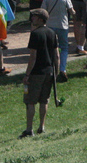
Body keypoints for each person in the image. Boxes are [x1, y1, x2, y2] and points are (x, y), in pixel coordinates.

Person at [21, 9, 60, 138]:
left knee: (31, 101)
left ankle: (29, 129)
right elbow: (57, 56)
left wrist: (27, 75)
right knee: (44, 100)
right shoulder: (52, 33)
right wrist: (57, 71)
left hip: (36, 73)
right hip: (49, 72)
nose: (32, 18)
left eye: (35, 17)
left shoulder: (35, 34)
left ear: (41, 19)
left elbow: (33, 57)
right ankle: (42, 127)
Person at [40, 0, 74, 82]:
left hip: (50, 25)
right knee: (64, 48)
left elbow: (43, 11)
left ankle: (51, 70)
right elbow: (71, 11)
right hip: (62, 25)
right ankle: (62, 69)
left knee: (50, 48)